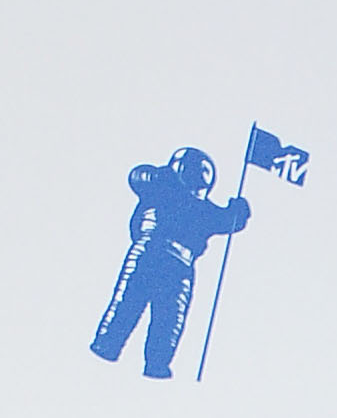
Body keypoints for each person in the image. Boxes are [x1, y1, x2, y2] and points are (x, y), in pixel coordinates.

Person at [88, 148, 250, 380]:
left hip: (166, 260)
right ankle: (131, 353)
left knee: (156, 314)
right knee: (149, 311)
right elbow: (138, 176)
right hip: (158, 255)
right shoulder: (162, 188)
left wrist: (238, 212)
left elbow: (229, 221)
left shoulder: (185, 200)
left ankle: (136, 355)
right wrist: (238, 212)